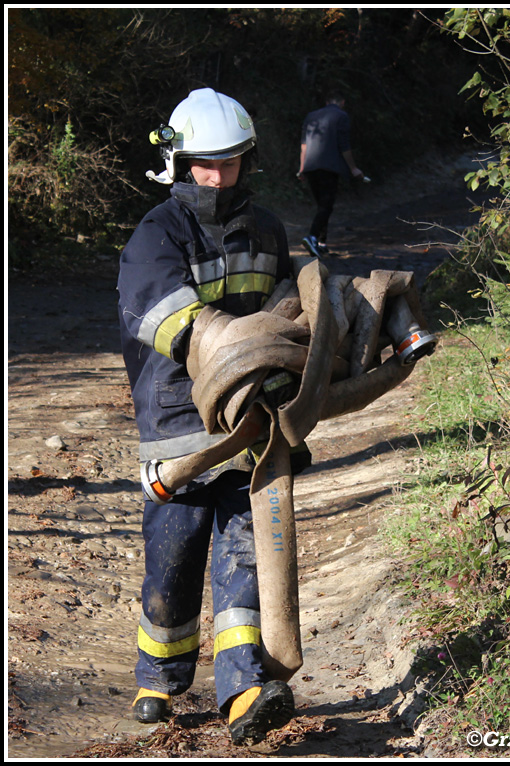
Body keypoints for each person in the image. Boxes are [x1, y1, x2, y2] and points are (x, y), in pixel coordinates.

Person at [117, 88, 303, 746]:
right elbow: (170, 320)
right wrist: (245, 349)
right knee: (174, 556)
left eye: (229, 164)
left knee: (244, 557)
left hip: (252, 430)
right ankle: (158, 680)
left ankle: (243, 687)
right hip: (178, 428)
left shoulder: (269, 231)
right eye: (204, 164)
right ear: (177, 161)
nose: (217, 177)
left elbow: (292, 313)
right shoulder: (156, 237)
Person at [298, 92, 364, 258]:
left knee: (322, 206)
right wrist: (353, 168)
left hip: (311, 167)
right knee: (326, 206)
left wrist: (302, 168)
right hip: (329, 168)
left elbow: (304, 145)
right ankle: (312, 237)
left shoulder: (311, 116)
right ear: (342, 102)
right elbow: (344, 145)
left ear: (327, 101)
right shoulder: (341, 116)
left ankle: (322, 243)